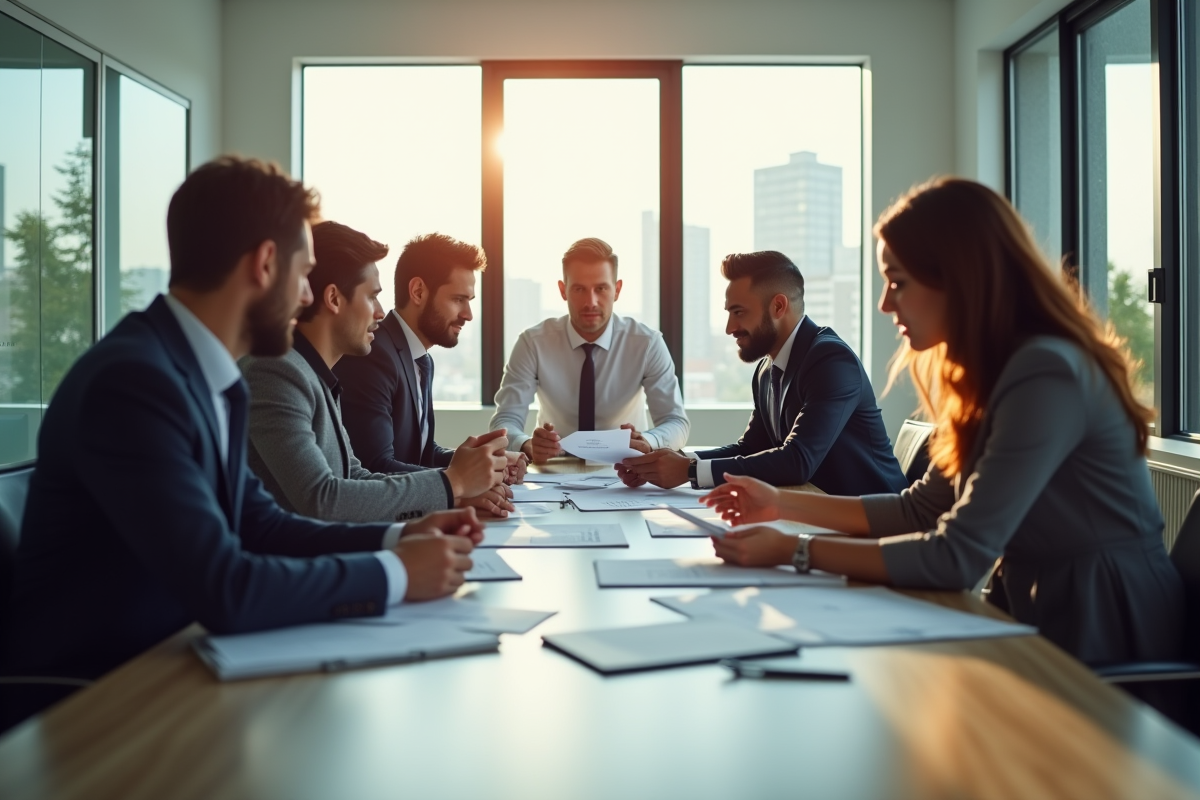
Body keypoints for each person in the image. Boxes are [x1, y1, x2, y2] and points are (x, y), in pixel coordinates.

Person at [0, 158, 482, 727]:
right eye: (304, 274)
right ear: (265, 264)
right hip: (98, 703)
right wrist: (398, 574)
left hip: (174, 669)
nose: (307, 295)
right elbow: (224, 585)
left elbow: (261, 525)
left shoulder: (210, 377)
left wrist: (401, 535)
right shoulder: (134, 382)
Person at [702, 178, 1185, 665]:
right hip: (1035, 608)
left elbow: (957, 556)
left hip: (1107, 626)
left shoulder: (1045, 371)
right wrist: (778, 504)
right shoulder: (991, 374)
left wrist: (794, 550)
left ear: (960, 278)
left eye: (898, 282)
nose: (885, 304)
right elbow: (919, 510)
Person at [241, 221, 513, 522]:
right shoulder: (278, 373)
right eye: (372, 296)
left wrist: (454, 494)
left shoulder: (318, 377)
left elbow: (355, 475)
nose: (381, 312)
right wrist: (453, 484)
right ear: (334, 299)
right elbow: (323, 499)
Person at [618, 250, 906, 495]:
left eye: (739, 312)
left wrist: (689, 471)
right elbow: (750, 448)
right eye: (729, 313)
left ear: (778, 306)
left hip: (875, 521)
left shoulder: (831, 360)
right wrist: (670, 460)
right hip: (814, 510)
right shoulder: (766, 371)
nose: (730, 328)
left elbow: (798, 460)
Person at [334, 233, 526, 494]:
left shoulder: (420, 359)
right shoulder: (373, 355)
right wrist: (462, 481)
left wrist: (486, 463)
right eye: (458, 299)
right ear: (418, 292)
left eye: (469, 301)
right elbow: (375, 466)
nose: (468, 315)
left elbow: (421, 453)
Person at [490, 237, 689, 463]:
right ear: (563, 290)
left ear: (617, 290)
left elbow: (676, 422)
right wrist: (526, 444)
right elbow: (504, 420)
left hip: (624, 469)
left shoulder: (646, 343)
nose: (591, 302)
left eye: (601, 288)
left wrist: (648, 441)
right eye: (579, 289)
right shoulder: (532, 343)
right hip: (554, 468)